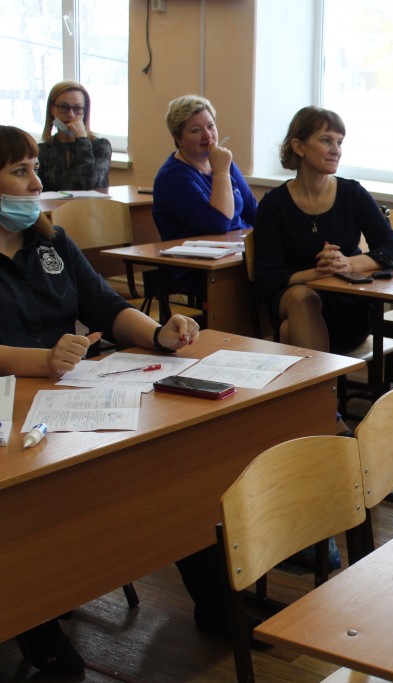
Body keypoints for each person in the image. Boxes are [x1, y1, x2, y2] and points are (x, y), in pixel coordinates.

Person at [0, 124, 200, 676]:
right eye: (19, 171)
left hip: (66, 400)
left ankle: (213, 600)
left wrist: (158, 333)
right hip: (11, 405)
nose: (35, 183)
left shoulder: (52, 242)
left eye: (35, 169)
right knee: (26, 506)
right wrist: (42, 360)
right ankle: (39, 633)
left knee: (172, 460)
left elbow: (105, 306)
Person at [254, 106, 393, 354]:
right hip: (292, 297)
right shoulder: (273, 204)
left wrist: (346, 264)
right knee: (302, 297)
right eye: (326, 141)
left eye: (339, 142)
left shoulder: (353, 193)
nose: (336, 150)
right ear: (298, 147)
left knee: (290, 331)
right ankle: (328, 378)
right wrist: (318, 272)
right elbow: (268, 277)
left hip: (347, 301)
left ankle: (316, 378)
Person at [152, 94, 258, 298]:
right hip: (198, 267)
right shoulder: (173, 177)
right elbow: (218, 225)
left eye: (211, 126)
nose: (207, 135)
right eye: (196, 130)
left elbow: (253, 211)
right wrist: (221, 173)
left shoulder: (223, 163)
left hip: (237, 255)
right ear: (178, 138)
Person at [37, 80, 112, 191]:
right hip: (54, 203)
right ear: (52, 109)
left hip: (91, 203)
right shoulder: (42, 150)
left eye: (78, 108)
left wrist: (82, 139)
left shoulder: (101, 146)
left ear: (85, 111)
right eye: (63, 107)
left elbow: (91, 186)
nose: (71, 115)